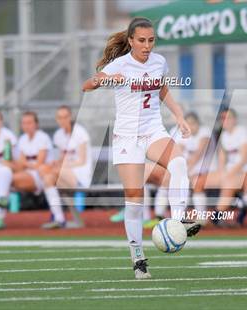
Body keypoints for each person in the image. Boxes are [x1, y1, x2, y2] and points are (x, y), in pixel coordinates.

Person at [82, 17, 200, 279]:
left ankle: (179, 219)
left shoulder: (159, 62)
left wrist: (179, 116)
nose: (147, 46)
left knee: (178, 162)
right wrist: (107, 80)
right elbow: (87, 85)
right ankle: (138, 259)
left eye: (151, 40)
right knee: (135, 202)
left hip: (153, 130)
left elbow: (162, 89)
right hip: (127, 138)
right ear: (131, 41)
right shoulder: (120, 64)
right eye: (142, 41)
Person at [38, 105, 93, 228]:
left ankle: (55, 212)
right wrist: (56, 163)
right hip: (66, 174)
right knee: (46, 177)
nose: (62, 120)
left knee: (50, 173)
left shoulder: (80, 132)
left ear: (70, 117)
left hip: (81, 174)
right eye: (59, 117)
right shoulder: (58, 135)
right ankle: (58, 218)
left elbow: (82, 161)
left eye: (65, 117)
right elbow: (64, 156)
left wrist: (62, 166)